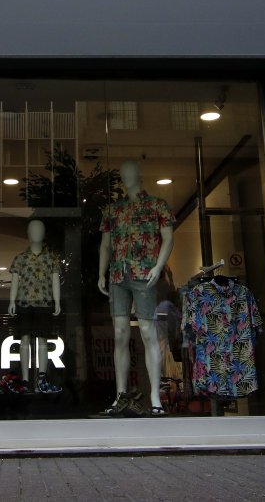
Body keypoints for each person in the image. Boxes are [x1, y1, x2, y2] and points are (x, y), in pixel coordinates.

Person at [96, 159, 174, 417]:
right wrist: (101, 273)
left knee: (147, 331)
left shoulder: (157, 205)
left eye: (130, 172)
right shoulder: (112, 210)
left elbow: (168, 238)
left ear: (140, 174)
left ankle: (155, 397)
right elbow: (105, 244)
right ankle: (120, 394)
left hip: (144, 274)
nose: (126, 176)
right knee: (119, 333)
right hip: (118, 275)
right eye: (122, 173)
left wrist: (158, 266)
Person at [8, 219, 63, 393]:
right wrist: (12, 301)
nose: (36, 233)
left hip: (44, 303)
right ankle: (25, 380)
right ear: (28, 234)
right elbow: (15, 281)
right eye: (33, 230)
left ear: (43, 234)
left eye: (39, 230)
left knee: (43, 340)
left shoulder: (51, 258)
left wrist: (57, 301)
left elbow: (55, 280)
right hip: (24, 303)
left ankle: (42, 378)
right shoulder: (20, 258)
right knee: (24, 340)